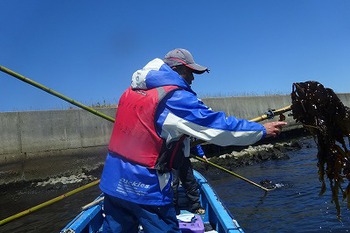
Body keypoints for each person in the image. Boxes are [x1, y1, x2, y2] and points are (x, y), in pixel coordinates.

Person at [99, 48, 287, 233]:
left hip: (113, 182)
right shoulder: (174, 97)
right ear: (175, 69)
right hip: (146, 188)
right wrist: (261, 130)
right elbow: (216, 127)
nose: (192, 78)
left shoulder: (130, 92)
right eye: (189, 71)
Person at [172, 143, 207, 215]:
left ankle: (196, 206)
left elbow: (195, 141)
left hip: (184, 157)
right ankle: (173, 208)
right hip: (171, 159)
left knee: (190, 181)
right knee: (173, 184)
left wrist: (201, 154)